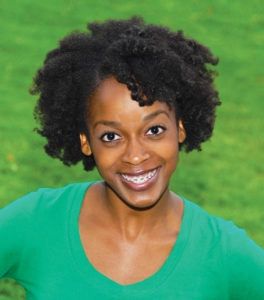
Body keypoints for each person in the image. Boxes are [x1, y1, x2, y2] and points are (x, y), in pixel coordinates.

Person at [0, 16, 263, 299]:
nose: (135, 156)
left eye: (154, 130)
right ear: (86, 142)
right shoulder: (38, 222)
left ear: (180, 130)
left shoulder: (222, 252)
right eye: (111, 137)